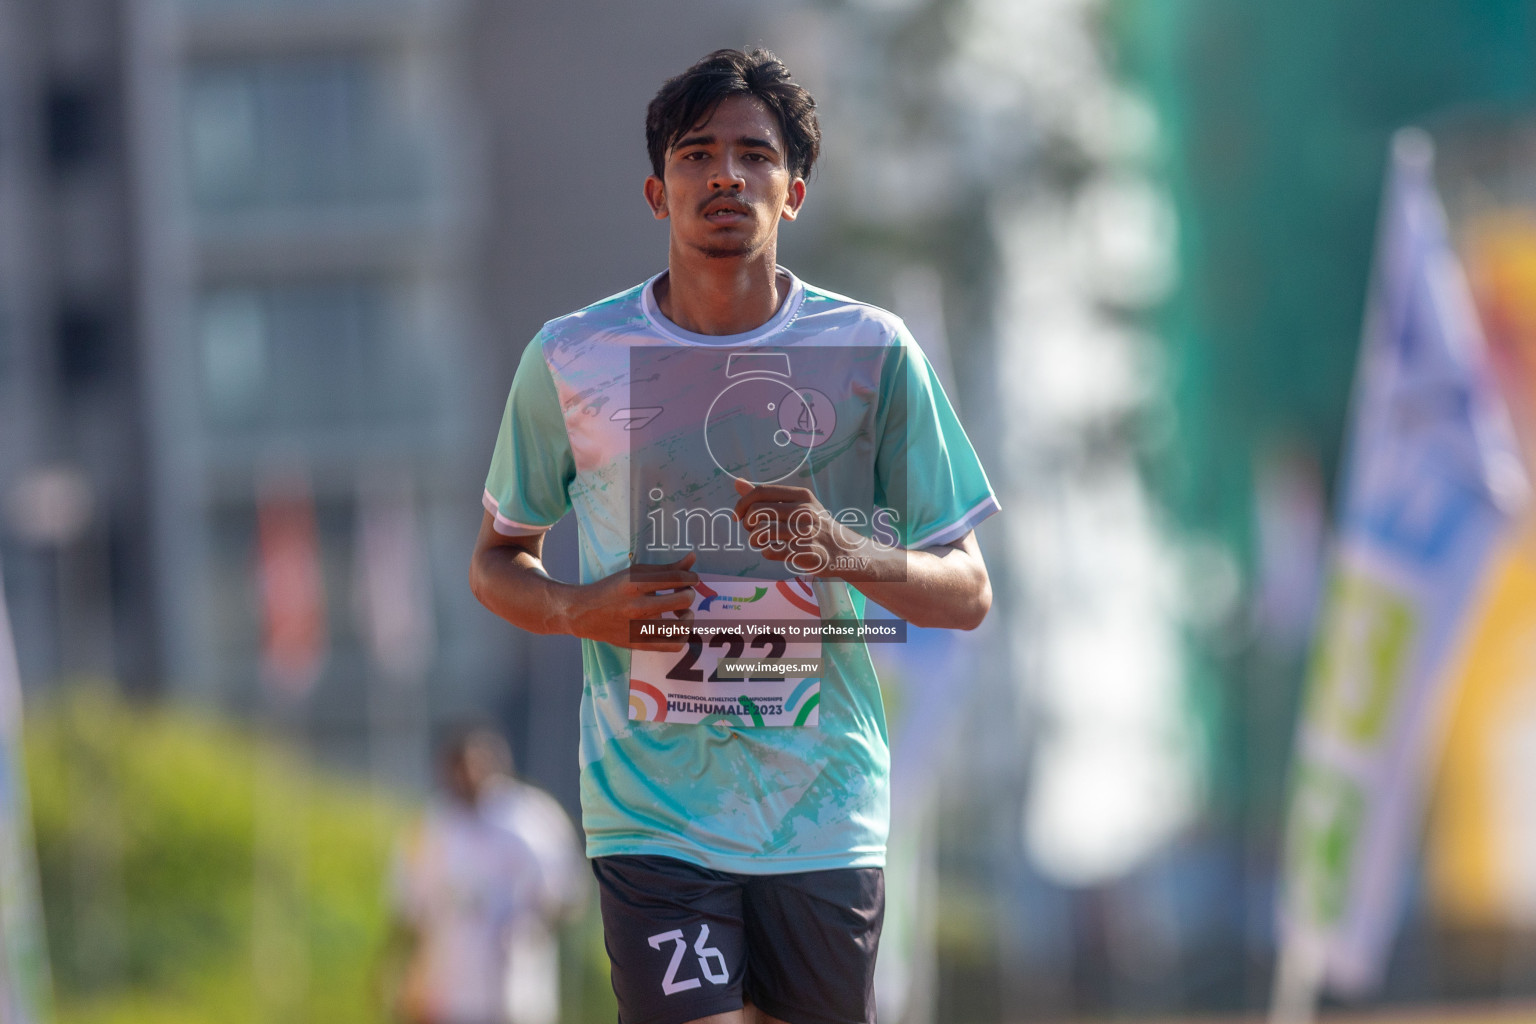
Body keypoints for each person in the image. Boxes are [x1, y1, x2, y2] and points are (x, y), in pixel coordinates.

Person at [469, 48, 998, 1024]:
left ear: (793, 191)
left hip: (824, 805)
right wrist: (583, 608)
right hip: (651, 804)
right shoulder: (573, 357)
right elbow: (497, 561)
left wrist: (841, 549)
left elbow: (967, 592)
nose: (725, 176)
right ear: (655, 189)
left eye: (754, 156)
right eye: (697, 153)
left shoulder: (872, 354)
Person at [389, 726, 584, 1024]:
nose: (468, 774)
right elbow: (410, 913)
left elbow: (568, 897)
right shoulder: (431, 825)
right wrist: (398, 977)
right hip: (449, 995)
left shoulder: (531, 818)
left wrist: (530, 924)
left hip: (518, 992)